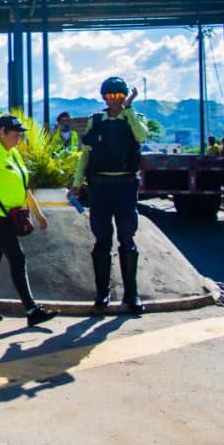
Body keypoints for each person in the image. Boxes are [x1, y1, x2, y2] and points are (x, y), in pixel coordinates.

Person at [70, 77, 149, 315]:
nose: (114, 101)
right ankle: (102, 292)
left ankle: (131, 294)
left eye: (118, 96)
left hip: (125, 185)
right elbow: (86, 154)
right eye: (109, 96)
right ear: (103, 97)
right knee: (102, 240)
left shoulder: (134, 118)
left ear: (124, 96)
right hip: (100, 186)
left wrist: (130, 109)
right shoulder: (96, 121)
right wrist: (76, 183)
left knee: (127, 238)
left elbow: (141, 136)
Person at [0, 115, 57, 327]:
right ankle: (32, 309)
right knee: (17, 258)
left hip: (12, 215)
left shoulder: (14, 153)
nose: (19, 139)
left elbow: (23, 187)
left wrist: (38, 213)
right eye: (15, 135)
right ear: (2, 132)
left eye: (20, 135)